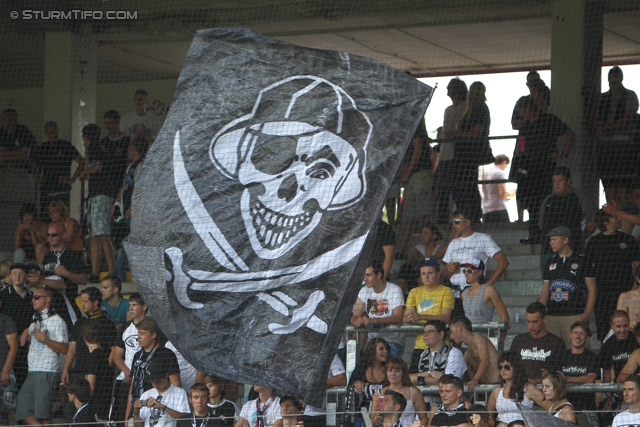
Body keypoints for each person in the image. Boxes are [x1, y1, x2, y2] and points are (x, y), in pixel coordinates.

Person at [510, 99, 575, 243]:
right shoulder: (525, 126)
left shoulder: (548, 119)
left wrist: (563, 154)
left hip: (545, 168)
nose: (520, 114)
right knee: (531, 203)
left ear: (528, 108)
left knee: (543, 201)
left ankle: (544, 235)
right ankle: (534, 235)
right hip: (529, 169)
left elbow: (570, 133)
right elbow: (522, 146)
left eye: (521, 110)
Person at [77, 117, 129, 281]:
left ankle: (113, 271)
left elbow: (97, 166)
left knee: (102, 233)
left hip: (101, 194)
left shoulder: (96, 147)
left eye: (84, 138)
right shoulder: (94, 148)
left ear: (87, 137)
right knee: (93, 234)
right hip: (95, 195)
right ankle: (95, 272)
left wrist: (85, 172)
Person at [15, 287, 69, 426]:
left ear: (48, 299)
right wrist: (27, 330)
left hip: (46, 370)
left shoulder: (57, 321)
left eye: (37, 297)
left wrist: (44, 340)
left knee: (43, 415)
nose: (33, 299)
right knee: (23, 410)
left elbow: (65, 348)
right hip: (32, 370)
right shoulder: (36, 319)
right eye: (33, 297)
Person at [538, 225, 597, 346]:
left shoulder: (582, 260)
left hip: (574, 315)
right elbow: (545, 290)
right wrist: (540, 313)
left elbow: (592, 288)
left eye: (554, 239)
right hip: (552, 316)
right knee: (552, 353)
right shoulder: (550, 262)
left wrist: (586, 313)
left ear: (565, 240)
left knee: (577, 352)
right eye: (550, 240)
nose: (550, 242)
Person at [586, 210, 640, 340]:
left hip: (626, 291)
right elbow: (588, 272)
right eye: (615, 217)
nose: (619, 219)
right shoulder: (593, 242)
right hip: (603, 296)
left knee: (629, 329)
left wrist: (635, 286)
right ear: (605, 221)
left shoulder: (627, 239)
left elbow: (637, 264)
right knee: (605, 332)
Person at [442, 210, 509, 313]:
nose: (453, 226)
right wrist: (448, 269)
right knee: (455, 327)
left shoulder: (483, 238)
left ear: (468, 222)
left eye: (457, 222)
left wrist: (490, 282)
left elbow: (503, 262)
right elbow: (446, 274)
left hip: (474, 293)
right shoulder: (453, 243)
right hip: (454, 294)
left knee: (473, 324)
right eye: (452, 223)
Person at [446, 81, 492, 223]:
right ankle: (466, 214)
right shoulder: (472, 109)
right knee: (463, 185)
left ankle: (472, 216)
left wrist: (456, 134)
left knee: (468, 185)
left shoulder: (480, 109)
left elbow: (476, 132)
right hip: (464, 154)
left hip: (470, 154)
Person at [395, 114, 437, 257]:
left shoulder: (415, 121)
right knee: (408, 216)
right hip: (412, 175)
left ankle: (429, 250)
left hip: (421, 173)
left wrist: (408, 170)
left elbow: (417, 148)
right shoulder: (406, 124)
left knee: (425, 213)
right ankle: (401, 251)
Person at [403, 259, 454, 371]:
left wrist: (421, 316)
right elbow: (405, 316)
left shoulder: (446, 291)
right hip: (420, 345)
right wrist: (410, 318)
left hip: (441, 345)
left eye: (430, 273)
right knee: (413, 378)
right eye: (423, 273)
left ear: (438, 274)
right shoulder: (414, 292)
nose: (426, 276)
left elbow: (445, 317)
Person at [61, 287, 117, 388]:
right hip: (79, 371)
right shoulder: (79, 323)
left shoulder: (107, 323)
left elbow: (114, 349)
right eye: (82, 301)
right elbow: (72, 348)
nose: (82, 304)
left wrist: (105, 369)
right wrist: (65, 369)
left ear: (95, 302)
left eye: (85, 301)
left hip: (98, 374)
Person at [34, 221, 88, 326]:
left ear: (63, 235)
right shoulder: (48, 257)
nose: (50, 237)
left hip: (68, 304)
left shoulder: (74, 255)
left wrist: (67, 273)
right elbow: (43, 282)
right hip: (50, 305)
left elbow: (84, 280)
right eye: (48, 235)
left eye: (53, 235)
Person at [113, 134, 150, 283]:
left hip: (135, 214)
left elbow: (141, 189)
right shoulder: (130, 166)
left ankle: (118, 274)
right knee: (125, 243)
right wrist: (116, 205)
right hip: (124, 213)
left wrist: (133, 207)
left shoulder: (142, 165)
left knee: (127, 244)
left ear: (134, 148)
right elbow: (124, 188)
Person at [30, 121, 84, 218]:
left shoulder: (66, 146)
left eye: (55, 131)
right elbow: (33, 165)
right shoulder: (42, 148)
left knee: (62, 219)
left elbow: (81, 162)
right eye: (51, 132)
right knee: (45, 219)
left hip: (62, 190)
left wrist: (72, 179)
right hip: (46, 190)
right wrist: (38, 177)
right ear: (46, 134)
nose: (54, 134)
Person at [351, 261, 405, 357]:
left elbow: (398, 317)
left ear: (379, 275)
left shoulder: (395, 290)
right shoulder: (364, 291)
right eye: (364, 275)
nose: (365, 279)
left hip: (392, 341)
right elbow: (355, 316)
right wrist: (356, 321)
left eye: (368, 275)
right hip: (373, 343)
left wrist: (374, 320)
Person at [552, 321, 599, 427]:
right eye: (575, 332)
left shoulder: (593, 357)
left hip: (586, 408)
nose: (578, 336)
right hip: (564, 408)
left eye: (582, 333)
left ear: (587, 337)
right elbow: (556, 377)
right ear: (570, 334)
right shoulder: (561, 355)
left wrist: (567, 378)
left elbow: (590, 378)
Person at [128, 318, 181, 412]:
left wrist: (173, 409)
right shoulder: (137, 356)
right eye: (138, 333)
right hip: (138, 406)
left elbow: (175, 383)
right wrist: (128, 414)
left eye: (142, 333)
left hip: (159, 406)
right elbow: (133, 385)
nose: (138, 337)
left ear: (153, 335)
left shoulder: (166, 354)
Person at [538, 167, 585, 267]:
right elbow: (541, 225)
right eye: (554, 181)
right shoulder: (548, 200)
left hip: (572, 250)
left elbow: (591, 222)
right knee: (548, 281)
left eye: (560, 181)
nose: (556, 184)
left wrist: (579, 238)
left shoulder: (578, 197)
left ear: (568, 180)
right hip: (548, 250)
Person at [436, 78, 468, 225]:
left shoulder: (466, 107)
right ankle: (442, 221)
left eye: (451, 88)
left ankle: (462, 220)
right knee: (442, 191)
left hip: (457, 156)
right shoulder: (448, 110)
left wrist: (453, 134)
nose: (448, 90)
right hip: (444, 155)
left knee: (459, 191)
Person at [459, 258, 510, 350]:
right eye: (464, 271)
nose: (466, 273)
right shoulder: (463, 294)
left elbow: (505, 317)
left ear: (479, 272)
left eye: (469, 271)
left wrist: (501, 341)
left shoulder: (489, 290)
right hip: (467, 343)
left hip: (485, 342)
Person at [113, 292, 149, 422]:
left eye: (134, 305)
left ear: (144, 307)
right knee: (124, 416)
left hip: (146, 380)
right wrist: (127, 371)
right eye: (129, 305)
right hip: (125, 379)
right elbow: (117, 356)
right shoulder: (124, 327)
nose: (131, 308)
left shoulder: (153, 327)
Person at [509, 302, 565, 383]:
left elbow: (559, 374)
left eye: (535, 322)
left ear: (544, 319)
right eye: (528, 321)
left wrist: (538, 380)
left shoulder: (556, 342)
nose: (531, 326)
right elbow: (511, 367)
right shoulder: (518, 340)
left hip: (546, 390)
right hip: (521, 389)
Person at [409, 320, 467, 395]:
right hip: (423, 400)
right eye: (424, 332)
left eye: (430, 331)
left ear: (441, 334)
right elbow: (407, 378)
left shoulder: (454, 353)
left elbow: (449, 382)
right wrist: (430, 373)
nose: (425, 335)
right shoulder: (422, 354)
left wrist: (419, 380)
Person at [370, 358, 428, 427]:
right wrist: (377, 418)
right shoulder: (378, 394)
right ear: (386, 373)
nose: (393, 374)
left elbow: (424, 418)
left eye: (397, 371)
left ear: (403, 373)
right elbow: (372, 422)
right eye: (390, 370)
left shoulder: (414, 392)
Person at [600, 311, 638, 412]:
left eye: (625, 326)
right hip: (622, 387)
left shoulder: (636, 340)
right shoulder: (607, 345)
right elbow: (606, 372)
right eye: (618, 326)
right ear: (611, 326)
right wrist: (608, 396)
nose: (622, 330)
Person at [133, 362, 190, 427]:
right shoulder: (145, 394)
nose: (155, 385)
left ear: (166, 375)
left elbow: (185, 419)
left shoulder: (179, 393)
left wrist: (162, 407)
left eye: (158, 381)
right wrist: (136, 412)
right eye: (152, 382)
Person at [347, 338, 390, 424]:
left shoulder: (390, 368)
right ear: (372, 351)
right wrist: (356, 383)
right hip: (364, 413)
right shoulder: (362, 368)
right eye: (381, 349)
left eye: (387, 349)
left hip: (385, 413)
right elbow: (349, 386)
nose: (385, 351)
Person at [449, 317, 499, 389]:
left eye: (451, 332)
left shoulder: (478, 338)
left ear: (460, 328)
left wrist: (475, 379)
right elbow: (471, 382)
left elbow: (485, 361)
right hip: (484, 389)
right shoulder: (466, 355)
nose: (451, 336)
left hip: (497, 384)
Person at [488, 353, 535, 427]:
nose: (503, 370)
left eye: (507, 367)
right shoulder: (496, 391)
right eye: (500, 367)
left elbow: (550, 406)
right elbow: (489, 417)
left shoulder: (529, 389)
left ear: (516, 367)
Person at [397, 224, 447, 294]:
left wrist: (422, 257)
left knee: (425, 270)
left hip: (432, 276)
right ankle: (401, 296)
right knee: (405, 267)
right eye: (422, 233)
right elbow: (411, 263)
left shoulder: (440, 248)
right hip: (415, 275)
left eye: (426, 233)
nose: (422, 235)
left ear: (434, 236)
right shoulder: (418, 248)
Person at [302, 354, 346, 427]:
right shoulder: (302, 353)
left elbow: (342, 380)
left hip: (329, 412)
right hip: (305, 412)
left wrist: (318, 383)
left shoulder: (331, 355)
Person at [82, 321, 113, 420]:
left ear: (85, 338)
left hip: (96, 407)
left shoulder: (94, 357)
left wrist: (84, 405)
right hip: (105, 404)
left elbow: (90, 383)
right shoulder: (103, 355)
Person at [0, 296, 17, 427]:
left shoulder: (6, 321)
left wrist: (5, 371)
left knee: (1, 416)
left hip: (2, 372)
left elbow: (14, 347)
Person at [482, 155, 510, 223]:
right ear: (504, 162)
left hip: (486, 209)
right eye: (506, 165)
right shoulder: (500, 173)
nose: (505, 167)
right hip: (498, 208)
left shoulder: (485, 173)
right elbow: (502, 192)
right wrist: (507, 195)